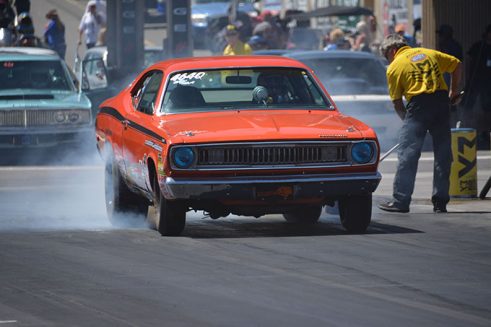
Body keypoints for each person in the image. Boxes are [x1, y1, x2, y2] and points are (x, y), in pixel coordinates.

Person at [378, 34, 462, 213]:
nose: (388, 59)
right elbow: (457, 64)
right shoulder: (429, 53)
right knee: (443, 154)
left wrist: (407, 123)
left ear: (392, 51)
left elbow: (397, 103)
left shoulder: (394, 67)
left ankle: (401, 201)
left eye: (387, 56)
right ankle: (440, 203)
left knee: (408, 154)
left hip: (418, 106)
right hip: (440, 103)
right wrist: (454, 92)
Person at [464, 24, 491, 149]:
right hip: (476, 81)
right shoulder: (478, 46)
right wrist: (468, 77)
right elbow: (469, 60)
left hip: (488, 84)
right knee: (470, 105)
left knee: (487, 108)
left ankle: (485, 131)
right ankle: (469, 129)